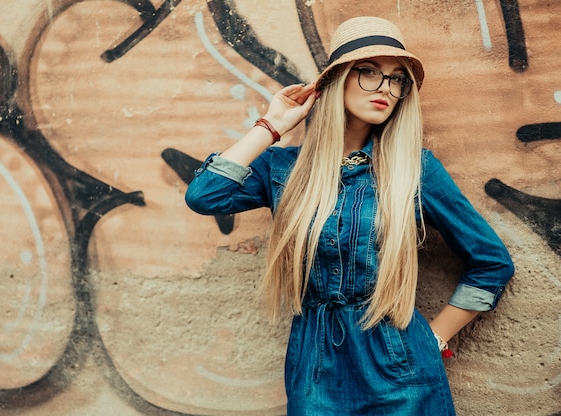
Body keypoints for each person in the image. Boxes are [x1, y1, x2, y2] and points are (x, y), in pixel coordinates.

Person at [185, 16, 514, 415]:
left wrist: (435, 339)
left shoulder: (415, 168)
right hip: (315, 364)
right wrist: (273, 125)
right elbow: (205, 196)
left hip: (401, 364)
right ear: (336, 79)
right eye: (369, 72)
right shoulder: (282, 169)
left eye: (397, 79)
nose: (386, 89)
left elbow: (492, 262)